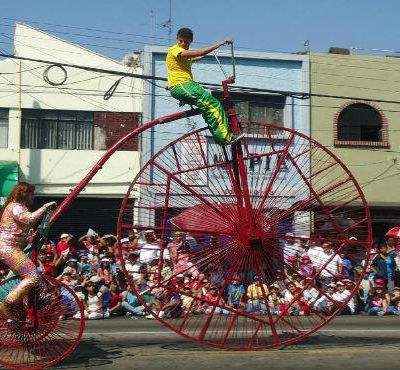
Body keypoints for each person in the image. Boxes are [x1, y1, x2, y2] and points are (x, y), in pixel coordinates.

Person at [166, 27, 243, 146]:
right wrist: (220, 43)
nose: (183, 44)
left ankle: (220, 135)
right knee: (214, 105)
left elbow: (195, 58)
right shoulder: (175, 50)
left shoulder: (184, 56)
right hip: (182, 85)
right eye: (181, 41)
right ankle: (226, 138)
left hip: (185, 86)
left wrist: (206, 55)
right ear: (177, 39)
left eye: (186, 42)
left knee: (207, 107)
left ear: (190, 41)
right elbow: (199, 52)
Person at [0, 182, 56, 319]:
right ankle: (7, 303)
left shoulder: (19, 207)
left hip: (10, 247)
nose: (33, 196)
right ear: (23, 194)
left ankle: (18, 304)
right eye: (31, 193)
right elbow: (30, 219)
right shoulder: (15, 207)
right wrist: (45, 207)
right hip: (8, 248)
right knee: (32, 276)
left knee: (27, 276)